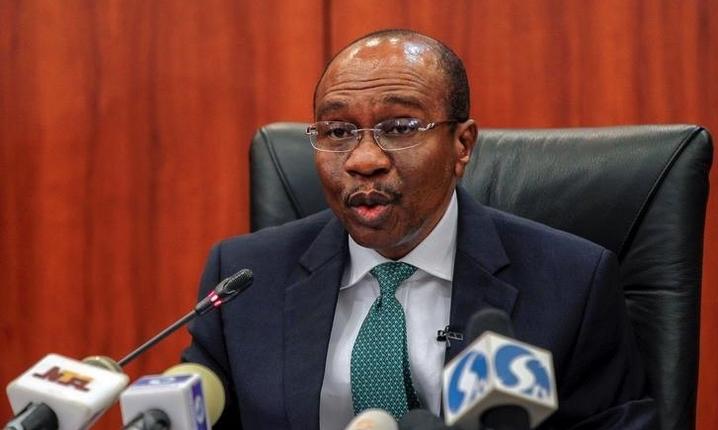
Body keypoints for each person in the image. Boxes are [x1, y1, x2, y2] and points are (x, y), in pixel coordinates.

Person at [183, 29, 656, 429]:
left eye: (401, 126)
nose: (364, 161)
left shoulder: (573, 282)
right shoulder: (244, 280)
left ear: (462, 145)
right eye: (338, 132)